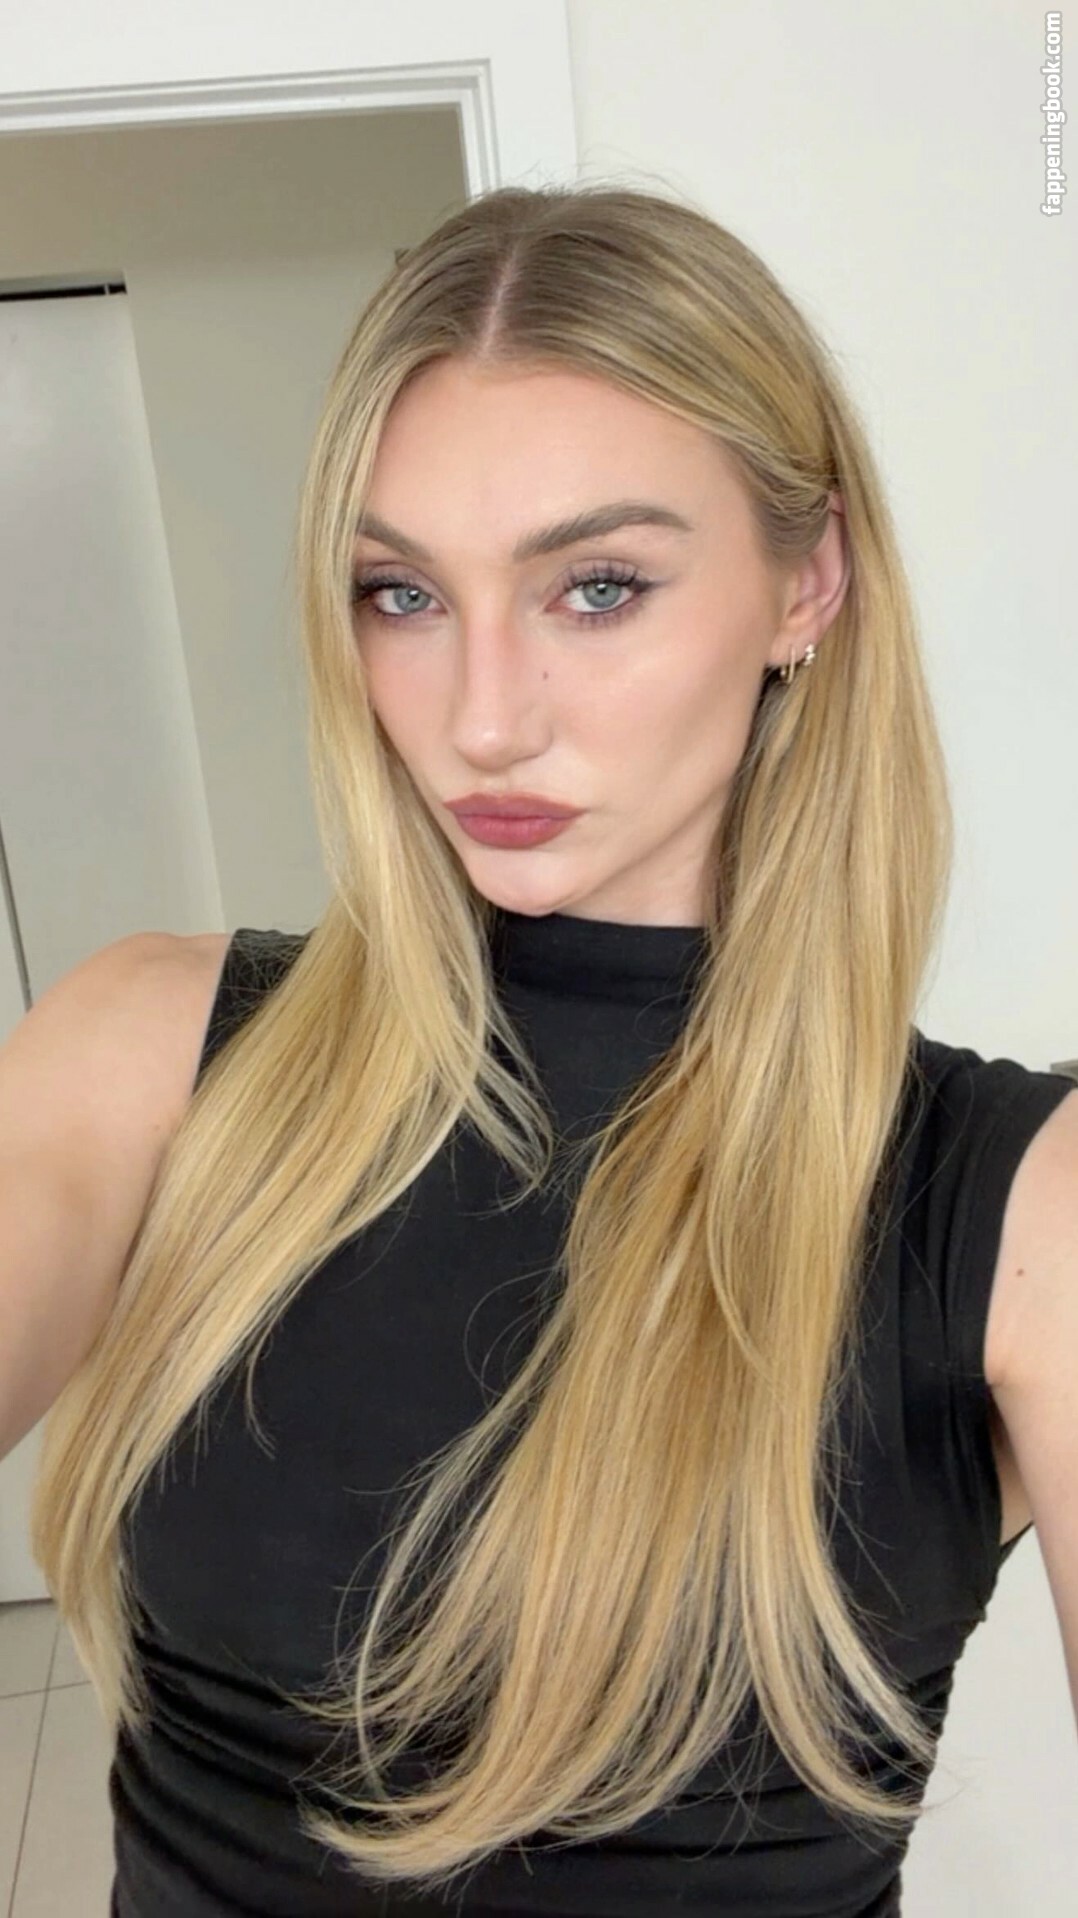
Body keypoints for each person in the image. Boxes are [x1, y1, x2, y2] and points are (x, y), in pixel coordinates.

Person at [20, 183, 1077, 1916]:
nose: (481, 715)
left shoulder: (1015, 1207)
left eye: (596, 587)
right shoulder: (152, 1048)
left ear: (805, 581)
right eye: (400, 592)